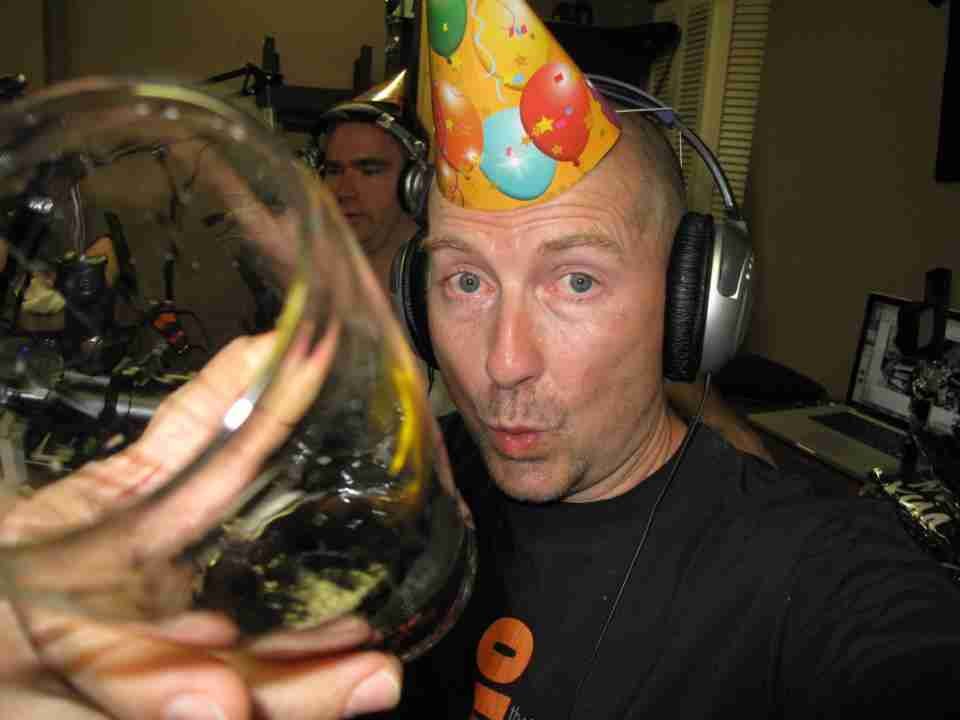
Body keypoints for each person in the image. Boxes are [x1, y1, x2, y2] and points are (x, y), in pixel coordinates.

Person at [382, 5, 960, 714]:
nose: (504, 364)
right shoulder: (400, 490)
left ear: (693, 308)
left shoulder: (812, 568)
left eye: (577, 281)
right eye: (467, 282)